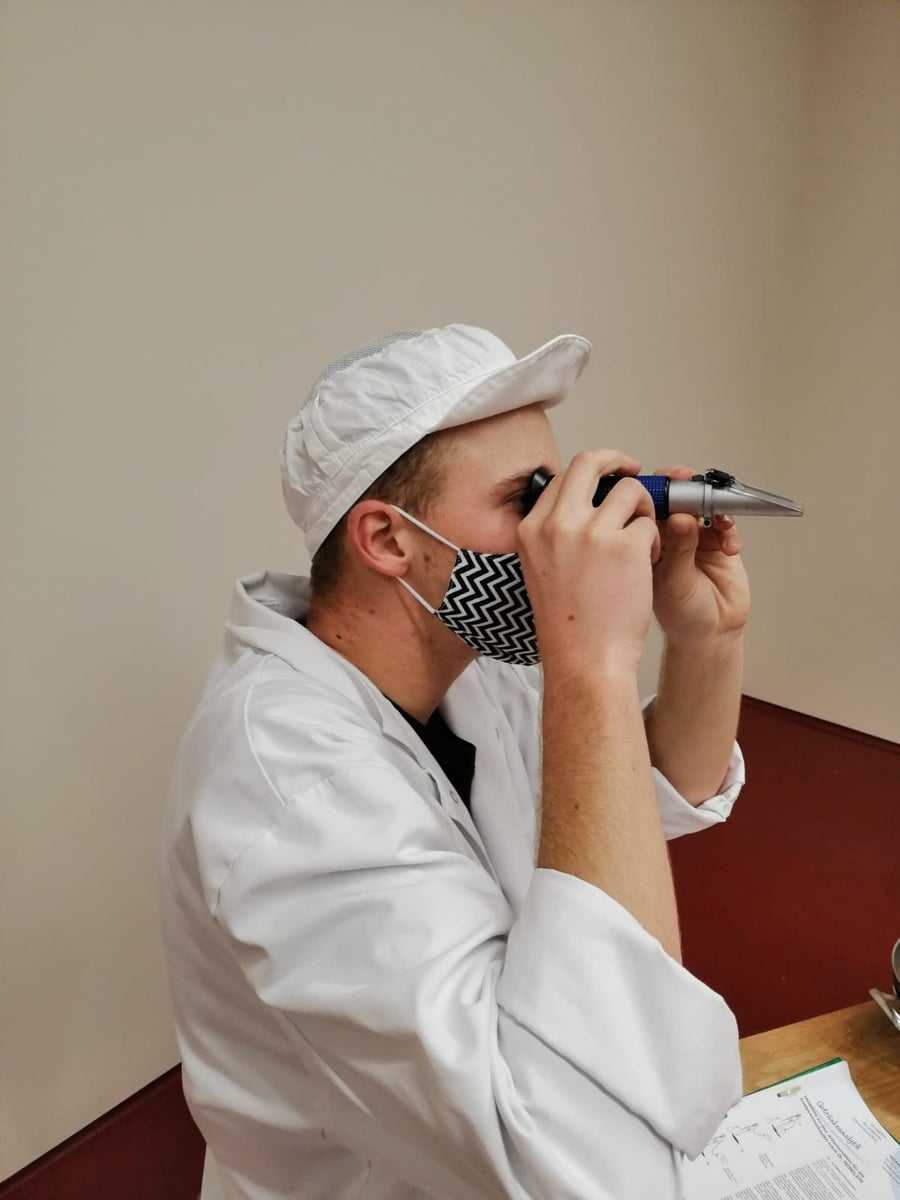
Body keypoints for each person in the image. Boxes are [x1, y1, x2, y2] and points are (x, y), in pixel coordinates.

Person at [160, 323, 751, 1200]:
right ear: (388, 540)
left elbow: (644, 801)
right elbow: (588, 1164)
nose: (560, 527)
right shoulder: (289, 783)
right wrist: (594, 662)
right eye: (529, 497)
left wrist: (705, 640)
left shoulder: (477, 663)